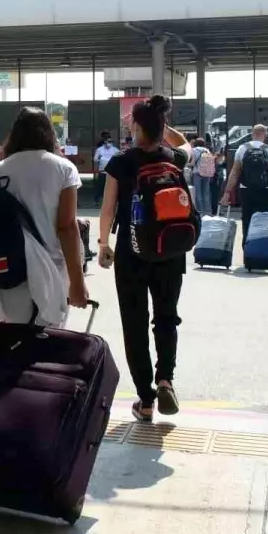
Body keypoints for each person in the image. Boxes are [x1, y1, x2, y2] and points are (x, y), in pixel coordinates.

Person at [0, 107, 87, 334]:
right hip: (52, 271)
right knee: (48, 340)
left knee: (15, 339)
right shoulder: (64, 169)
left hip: (10, 269)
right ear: (49, 134)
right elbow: (67, 228)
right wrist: (77, 283)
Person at [98, 95, 192, 423]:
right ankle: (165, 379)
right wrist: (163, 127)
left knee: (135, 324)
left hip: (131, 252)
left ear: (137, 127)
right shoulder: (174, 157)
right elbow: (185, 143)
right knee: (166, 318)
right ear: (161, 127)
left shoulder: (121, 162)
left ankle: (146, 400)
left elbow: (107, 209)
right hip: (171, 251)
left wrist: (103, 244)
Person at [221, 124, 268, 248]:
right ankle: (260, 250)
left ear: (252, 134)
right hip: (265, 190)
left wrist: (226, 193)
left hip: (246, 189)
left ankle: (247, 249)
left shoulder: (242, 148)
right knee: (263, 221)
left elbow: (234, 172)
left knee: (247, 220)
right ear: (265, 135)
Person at [188, 137, 216, 216]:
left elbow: (192, 163)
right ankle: (208, 211)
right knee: (206, 193)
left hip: (197, 173)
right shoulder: (207, 150)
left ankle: (200, 212)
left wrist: (188, 164)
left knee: (198, 193)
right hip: (207, 173)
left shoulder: (194, 150)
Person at [93, 132, 119, 205]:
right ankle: (97, 200)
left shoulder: (114, 149)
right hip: (102, 172)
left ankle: (111, 201)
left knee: (111, 188)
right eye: (108, 141)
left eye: (111, 142)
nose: (109, 143)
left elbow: (120, 156)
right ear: (104, 141)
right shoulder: (100, 150)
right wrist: (101, 159)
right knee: (101, 187)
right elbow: (95, 159)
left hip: (111, 173)